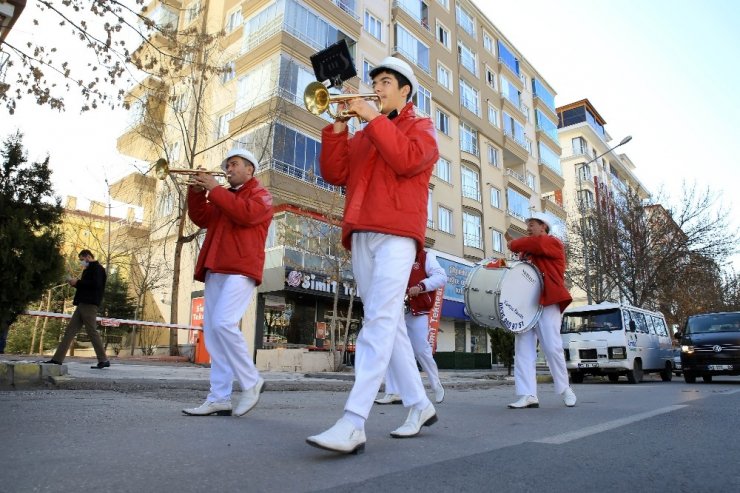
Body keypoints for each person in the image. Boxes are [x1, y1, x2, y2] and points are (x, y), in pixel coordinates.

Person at [306, 56, 440, 454]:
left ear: (405, 91)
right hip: (361, 232)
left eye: (385, 82)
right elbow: (334, 172)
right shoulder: (365, 131)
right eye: (374, 81)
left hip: (397, 233)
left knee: (379, 320)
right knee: (390, 325)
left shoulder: (422, 126)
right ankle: (419, 404)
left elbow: (407, 160)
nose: (376, 88)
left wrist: (369, 117)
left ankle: (353, 421)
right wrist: (339, 124)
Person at [182, 148, 273, 417]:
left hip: (241, 268)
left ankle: (251, 380)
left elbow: (246, 215)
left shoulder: (261, 195)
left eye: (233, 164)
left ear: (250, 169)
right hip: (216, 268)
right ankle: (219, 397)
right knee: (214, 335)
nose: (228, 169)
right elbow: (201, 218)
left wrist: (214, 190)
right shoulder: (225, 197)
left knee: (223, 323)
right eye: (227, 166)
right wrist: (197, 191)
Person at [504, 212, 577, 409]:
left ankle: (565, 389)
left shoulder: (552, 242)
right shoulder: (527, 251)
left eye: (532, 224)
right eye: (528, 225)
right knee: (523, 349)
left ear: (543, 226)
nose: (528, 228)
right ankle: (528, 394)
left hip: (548, 301)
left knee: (552, 347)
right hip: (527, 305)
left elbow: (534, 244)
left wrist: (512, 244)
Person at [375, 248, 447, 405]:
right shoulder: (395, 257)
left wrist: (421, 286)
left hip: (417, 312)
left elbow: (441, 277)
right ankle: (394, 391)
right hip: (396, 311)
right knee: (391, 349)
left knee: (421, 350)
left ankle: (436, 385)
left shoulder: (425, 257)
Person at [44, 250, 110, 369]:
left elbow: (96, 285)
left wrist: (78, 282)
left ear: (88, 257)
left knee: (92, 332)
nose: (81, 263)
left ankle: (103, 359)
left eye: (81, 260)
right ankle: (57, 359)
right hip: (83, 304)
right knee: (70, 331)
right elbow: (87, 285)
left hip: (89, 304)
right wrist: (75, 283)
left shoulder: (98, 269)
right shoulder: (90, 269)